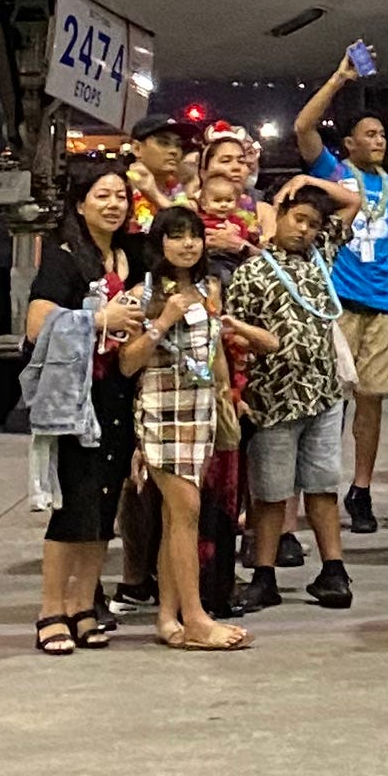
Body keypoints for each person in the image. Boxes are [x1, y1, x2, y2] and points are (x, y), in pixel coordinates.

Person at [23, 160, 146, 655]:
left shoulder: (131, 255)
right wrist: (100, 317)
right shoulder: (64, 257)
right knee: (71, 507)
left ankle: (81, 606)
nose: (114, 204)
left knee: (102, 508)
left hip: (120, 393)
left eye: (121, 196)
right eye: (102, 196)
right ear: (79, 204)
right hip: (77, 399)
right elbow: (36, 323)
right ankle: (50, 610)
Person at [292, 46, 388, 534]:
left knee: (371, 400)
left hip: (380, 304)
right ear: (348, 142)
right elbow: (303, 129)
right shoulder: (332, 174)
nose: (379, 139)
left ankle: (361, 489)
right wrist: (340, 78)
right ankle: (314, 485)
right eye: (369, 133)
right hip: (335, 303)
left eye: (383, 133)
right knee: (327, 400)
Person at [228, 178, 358, 613]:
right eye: (298, 219)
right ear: (278, 216)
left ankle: (334, 569)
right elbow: (234, 339)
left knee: (323, 484)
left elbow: (353, 202)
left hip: (322, 393)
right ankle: (264, 574)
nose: (305, 230)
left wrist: (306, 181)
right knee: (270, 492)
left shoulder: (323, 257)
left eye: (314, 224)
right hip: (272, 398)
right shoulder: (252, 271)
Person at [121, 203, 246, 649]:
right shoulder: (142, 294)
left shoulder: (212, 288)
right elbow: (126, 362)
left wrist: (228, 399)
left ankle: (168, 617)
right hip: (161, 410)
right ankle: (195, 618)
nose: (187, 244)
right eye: (176, 235)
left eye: (194, 235)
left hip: (201, 410)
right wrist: (162, 322)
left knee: (179, 517)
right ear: (159, 243)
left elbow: (214, 355)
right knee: (186, 510)